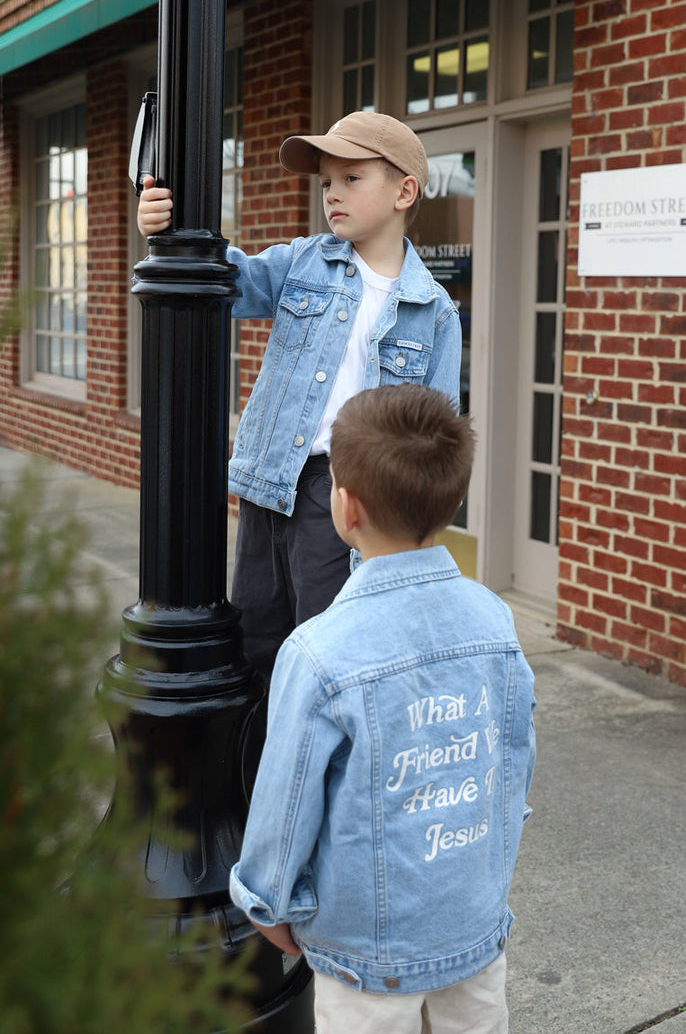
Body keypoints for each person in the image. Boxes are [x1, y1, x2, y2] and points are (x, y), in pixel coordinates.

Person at [229, 384, 536, 1034]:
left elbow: (284, 802)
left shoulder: (318, 651)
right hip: (472, 928)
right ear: (452, 503)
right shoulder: (495, 619)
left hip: (366, 955)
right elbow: (512, 765)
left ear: (346, 506)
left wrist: (267, 901)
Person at [137, 112, 462, 687]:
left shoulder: (433, 311)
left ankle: (316, 767)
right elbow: (222, 281)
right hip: (272, 481)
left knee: (325, 650)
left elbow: (435, 442)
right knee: (257, 641)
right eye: (326, 183)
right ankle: (261, 767)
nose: (332, 194)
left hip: (349, 495)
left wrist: (408, 540)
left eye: (351, 178)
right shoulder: (305, 262)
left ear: (403, 191)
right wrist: (166, 232)